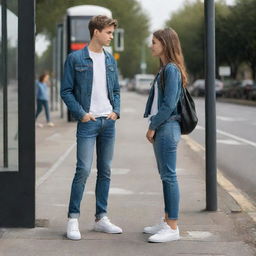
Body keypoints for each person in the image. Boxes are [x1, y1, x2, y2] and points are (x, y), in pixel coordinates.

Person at [61, 15, 121, 240]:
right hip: (88, 123)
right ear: (96, 31)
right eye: (108, 32)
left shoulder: (110, 60)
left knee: (105, 171)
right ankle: (73, 218)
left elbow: (115, 90)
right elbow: (66, 90)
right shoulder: (75, 58)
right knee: (83, 170)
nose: (111, 37)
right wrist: (82, 114)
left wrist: (116, 111)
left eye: (112, 33)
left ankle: (101, 218)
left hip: (108, 122)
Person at [143, 28, 188, 243]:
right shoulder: (165, 69)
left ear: (165, 43)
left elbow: (169, 104)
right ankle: (166, 219)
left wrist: (153, 125)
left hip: (167, 128)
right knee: (165, 176)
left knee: (169, 177)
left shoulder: (171, 70)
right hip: (164, 127)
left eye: (154, 42)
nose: (151, 45)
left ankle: (172, 227)